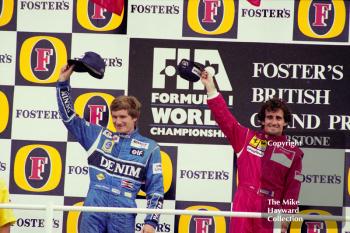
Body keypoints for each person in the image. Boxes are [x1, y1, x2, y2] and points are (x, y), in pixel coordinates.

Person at [57, 64, 164, 233]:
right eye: (114, 117)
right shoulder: (99, 136)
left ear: (135, 117)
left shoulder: (150, 148)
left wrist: (151, 222)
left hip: (124, 213)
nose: (117, 122)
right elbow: (69, 118)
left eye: (123, 117)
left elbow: (155, 190)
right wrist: (63, 83)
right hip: (94, 209)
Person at [200, 69, 303, 233]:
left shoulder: (294, 152)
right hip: (244, 204)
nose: (273, 122)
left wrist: (285, 219)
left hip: (271, 209)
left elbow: (292, 191)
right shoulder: (246, 138)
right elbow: (224, 118)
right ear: (262, 120)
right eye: (269, 117)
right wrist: (211, 88)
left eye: (278, 118)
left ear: (285, 122)